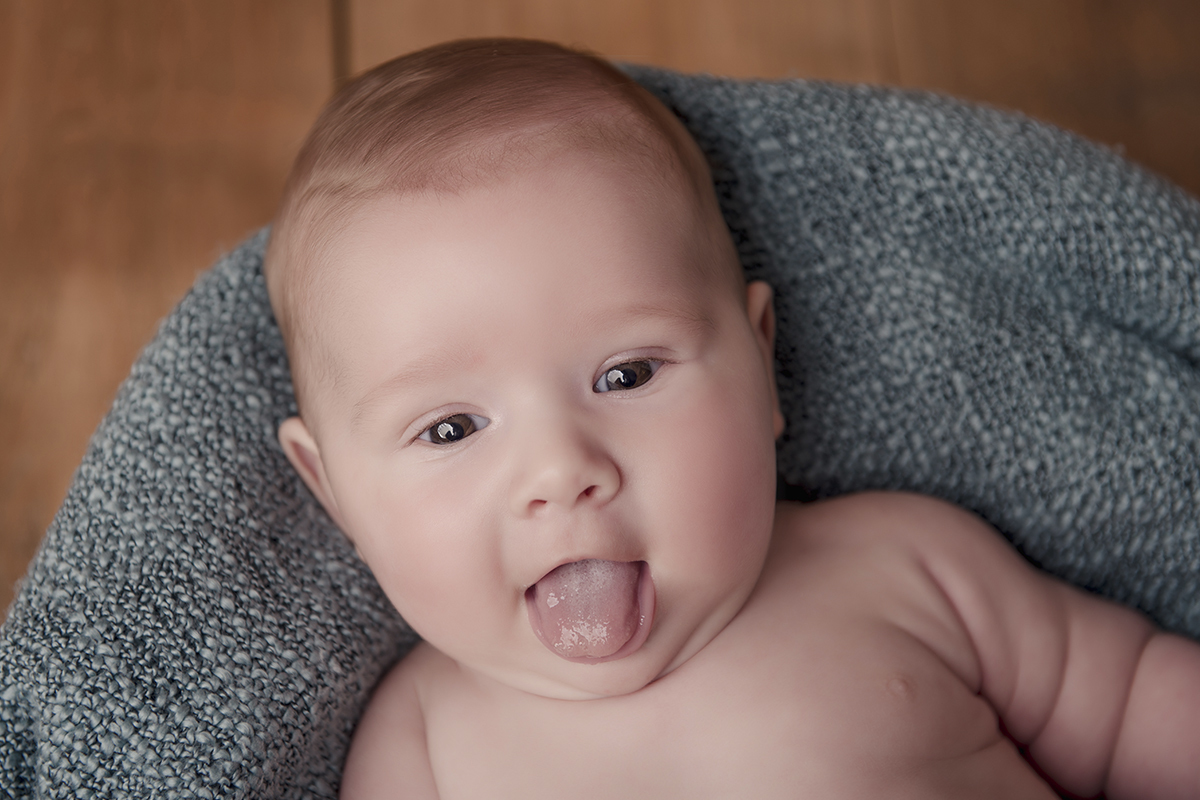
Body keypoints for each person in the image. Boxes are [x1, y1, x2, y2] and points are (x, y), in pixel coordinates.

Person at [263, 38, 1200, 799]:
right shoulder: (422, 743)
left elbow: (1132, 711)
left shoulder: (902, 566)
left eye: (627, 373)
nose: (561, 469)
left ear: (761, 361)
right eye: (451, 429)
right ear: (332, 489)